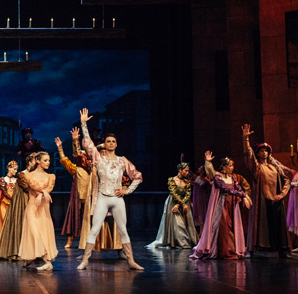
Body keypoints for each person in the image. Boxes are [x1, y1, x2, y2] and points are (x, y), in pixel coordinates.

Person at [77, 109, 144, 270]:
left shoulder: (122, 160)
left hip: (117, 199)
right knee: (94, 229)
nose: (111, 143)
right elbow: (89, 144)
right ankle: (85, 260)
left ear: (116, 144)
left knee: (123, 230)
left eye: (113, 141)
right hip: (103, 198)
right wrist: (83, 124)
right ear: (105, 144)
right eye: (108, 141)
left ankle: (131, 261)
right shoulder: (99, 159)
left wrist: (127, 190)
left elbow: (137, 176)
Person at [241, 124, 292, 258]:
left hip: (275, 199)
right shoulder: (257, 167)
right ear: (258, 153)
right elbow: (249, 154)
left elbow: (286, 180)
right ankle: (252, 250)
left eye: (266, 151)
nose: (264, 153)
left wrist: (282, 194)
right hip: (262, 200)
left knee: (277, 225)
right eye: (261, 151)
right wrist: (246, 139)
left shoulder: (274, 167)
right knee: (259, 225)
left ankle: (282, 250)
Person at [190, 151, 251, 259]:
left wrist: (244, 195)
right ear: (224, 167)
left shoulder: (232, 178)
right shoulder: (218, 177)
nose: (232, 168)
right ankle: (227, 251)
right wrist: (208, 162)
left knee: (233, 226)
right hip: (222, 205)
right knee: (225, 227)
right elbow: (225, 188)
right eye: (230, 165)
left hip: (232, 205)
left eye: (232, 165)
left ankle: (233, 249)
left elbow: (238, 188)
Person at [0, 153, 36, 261]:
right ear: (8, 168)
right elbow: (4, 192)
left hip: (14, 204)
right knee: (4, 222)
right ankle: (2, 243)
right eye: (13, 169)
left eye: (16, 169)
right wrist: (14, 199)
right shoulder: (3, 179)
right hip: (5, 203)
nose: (15, 171)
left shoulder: (16, 180)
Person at [18, 151, 57, 271]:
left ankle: (47, 262)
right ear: (38, 161)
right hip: (33, 207)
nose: (48, 162)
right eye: (45, 160)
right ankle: (32, 257)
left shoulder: (50, 176)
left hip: (44, 209)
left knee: (43, 234)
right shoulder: (29, 175)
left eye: (49, 160)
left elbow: (49, 187)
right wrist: (43, 192)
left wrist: (42, 193)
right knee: (34, 233)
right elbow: (34, 186)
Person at [147, 162, 199, 249]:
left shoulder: (187, 181)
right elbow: (174, 193)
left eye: (188, 171)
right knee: (177, 223)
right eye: (185, 171)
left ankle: (188, 240)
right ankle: (180, 242)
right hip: (173, 202)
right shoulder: (172, 180)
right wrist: (179, 204)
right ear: (180, 170)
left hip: (184, 203)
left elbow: (188, 194)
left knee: (187, 222)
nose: (187, 173)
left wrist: (181, 204)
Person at [55, 136, 93, 249]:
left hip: (90, 197)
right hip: (77, 197)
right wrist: (60, 148)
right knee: (73, 218)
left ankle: (89, 240)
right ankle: (70, 240)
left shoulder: (93, 169)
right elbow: (65, 160)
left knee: (90, 219)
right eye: (83, 158)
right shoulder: (76, 168)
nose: (84, 160)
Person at [191, 165, 212, 236]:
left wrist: (195, 184)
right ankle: (200, 232)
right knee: (198, 213)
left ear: (203, 170)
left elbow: (201, 186)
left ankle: (203, 233)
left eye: (200, 168)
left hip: (203, 199)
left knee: (202, 214)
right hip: (197, 198)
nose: (198, 169)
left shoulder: (206, 179)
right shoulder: (197, 177)